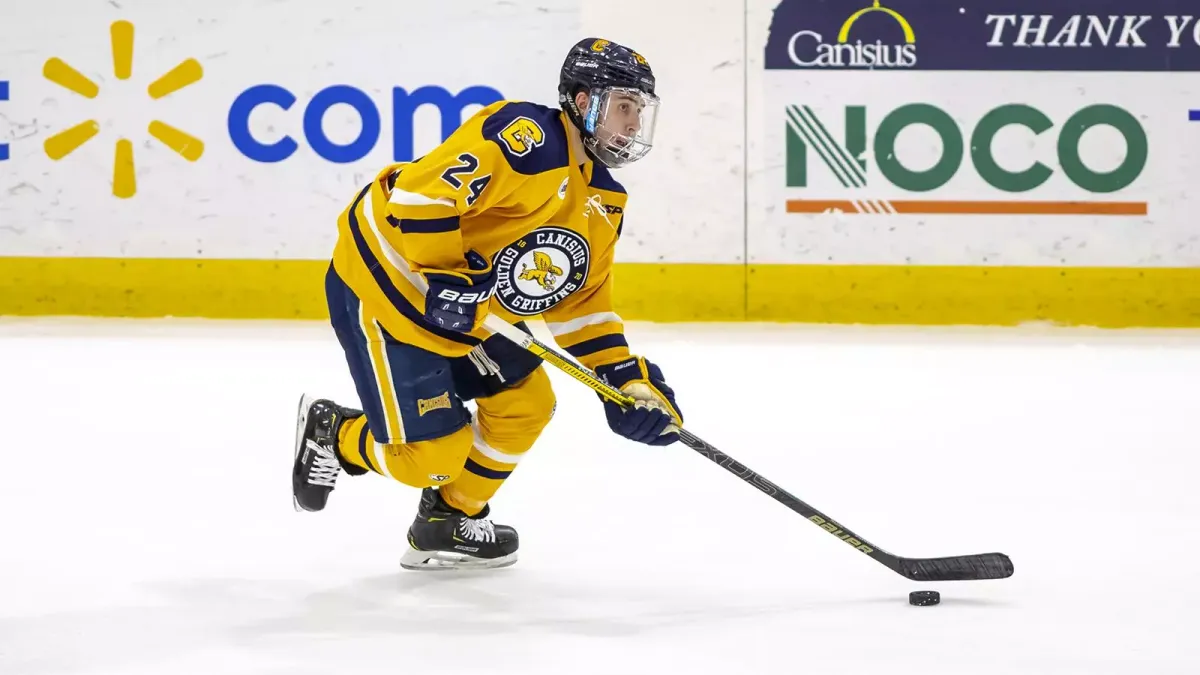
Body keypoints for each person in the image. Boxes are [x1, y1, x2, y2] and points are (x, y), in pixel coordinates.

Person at [291, 37, 684, 571]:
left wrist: (628, 379)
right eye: (624, 106)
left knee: (526, 405)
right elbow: (419, 196)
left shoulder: (602, 201)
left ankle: (448, 521)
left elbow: (582, 305)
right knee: (430, 458)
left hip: (466, 305)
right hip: (386, 284)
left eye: (639, 111)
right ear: (582, 99)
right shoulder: (526, 140)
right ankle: (335, 434)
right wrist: (445, 278)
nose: (634, 124)